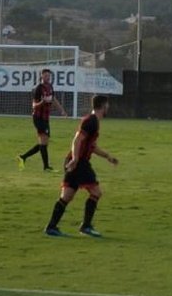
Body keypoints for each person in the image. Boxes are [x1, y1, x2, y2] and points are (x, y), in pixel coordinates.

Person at [43, 95, 118, 237]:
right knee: (96, 193)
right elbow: (77, 140)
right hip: (79, 163)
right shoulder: (91, 121)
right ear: (103, 105)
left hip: (74, 161)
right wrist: (76, 159)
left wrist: (107, 156)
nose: (108, 108)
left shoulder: (94, 121)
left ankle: (51, 227)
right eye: (107, 105)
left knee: (66, 196)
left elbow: (91, 146)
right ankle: (86, 226)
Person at [17, 68, 67, 172]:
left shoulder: (50, 87)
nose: (47, 77)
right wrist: (42, 102)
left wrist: (62, 110)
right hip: (38, 117)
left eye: (49, 76)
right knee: (44, 142)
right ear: (41, 76)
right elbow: (34, 105)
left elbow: (53, 99)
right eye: (45, 75)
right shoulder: (38, 88)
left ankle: (23, 157)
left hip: (45, 118)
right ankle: (46, 167)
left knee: (44, 143)